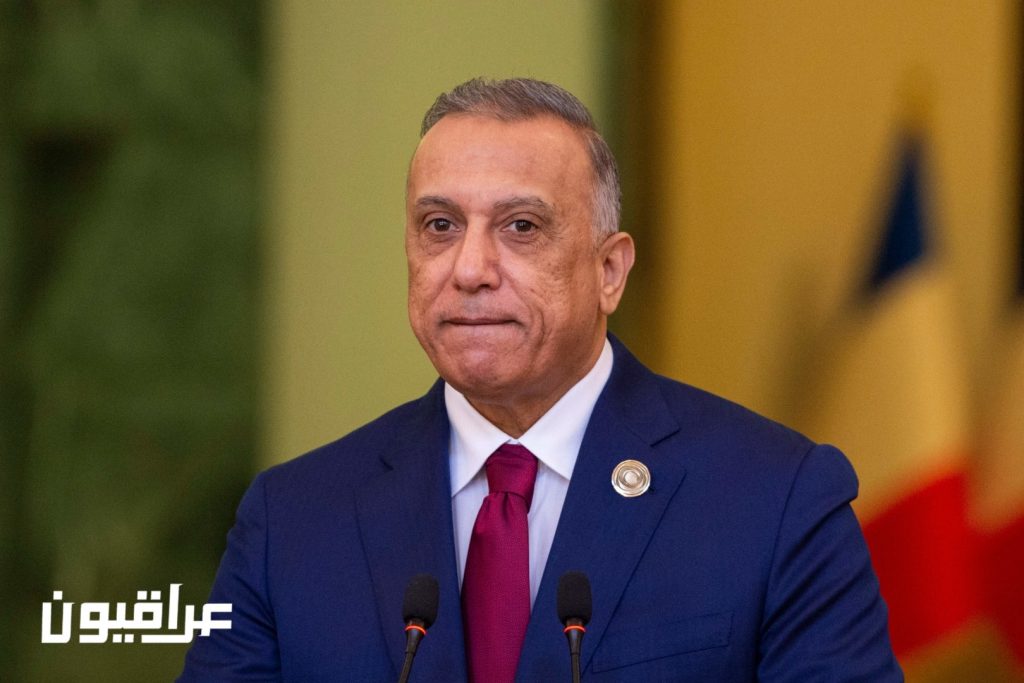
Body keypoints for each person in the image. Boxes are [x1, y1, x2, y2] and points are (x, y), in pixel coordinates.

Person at [180, 78, 902, 682]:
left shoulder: (776, 501)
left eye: (520, 226)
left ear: (609, 270)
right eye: (439, 226)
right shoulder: (293, 522)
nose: (469, 269)